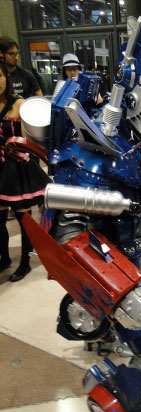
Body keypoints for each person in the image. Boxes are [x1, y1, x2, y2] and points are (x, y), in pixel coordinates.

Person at [0, 58, 50, 281]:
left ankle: (25, 263)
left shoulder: (19, 104)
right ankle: (3, 259)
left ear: (6, 78)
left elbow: (29, 139)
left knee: (24, 219)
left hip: (17, 166)